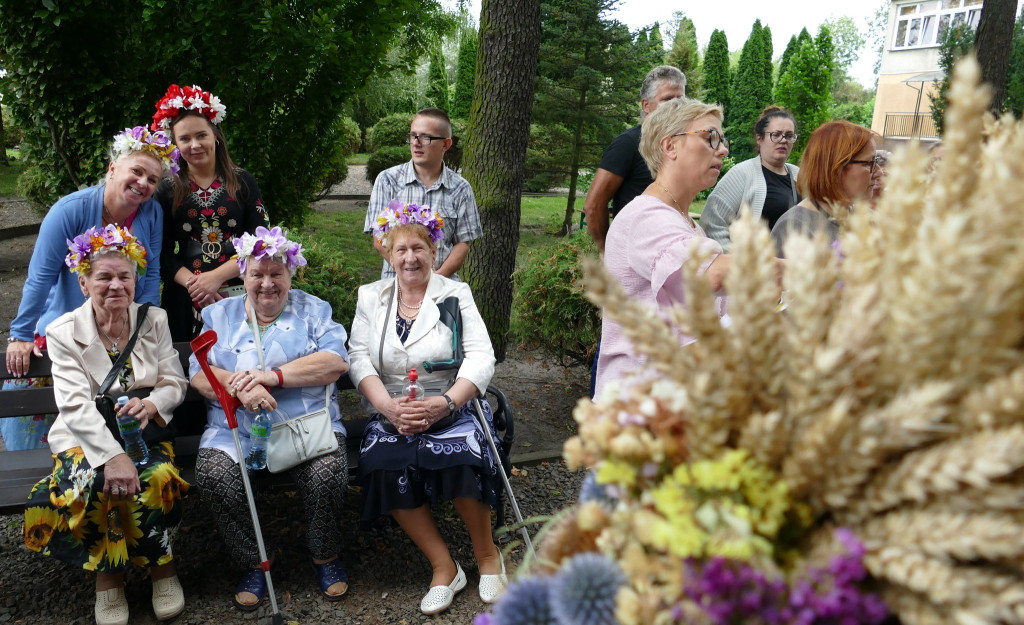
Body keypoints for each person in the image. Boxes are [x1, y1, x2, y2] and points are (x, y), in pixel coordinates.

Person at [24, 225, 189, 625]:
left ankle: (162, 569)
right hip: (85, 436)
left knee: (155, 475)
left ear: (136, 281)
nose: (116, 285)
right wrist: (113, 457)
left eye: (124, 276)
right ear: (84, 283)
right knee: (99, 482)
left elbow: (175, 381)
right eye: (104, 277)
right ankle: (109, 579)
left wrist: (151, 404)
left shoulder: (155, 319)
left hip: (143, 429)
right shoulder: (63, 332)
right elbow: (75, 406)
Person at [349, 201, 505, 615]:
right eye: (400, 249)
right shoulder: (371, 296)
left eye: (419, 248)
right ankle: (444, 567)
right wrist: (387, 407)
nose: (410, 257)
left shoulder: (456, 294)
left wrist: (447, 401)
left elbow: (481, 357)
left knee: (458, 455)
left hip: (451, 401)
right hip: (394, 406)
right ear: (388, 252)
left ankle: (488, 556)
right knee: (383, 460)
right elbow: (358, 358)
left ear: (434, 252)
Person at [188, 226, 351, 611]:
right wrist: (240, 387)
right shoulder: (219, 314)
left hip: (304, 427)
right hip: (237, 431)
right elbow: (197, 373)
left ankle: (324, 554)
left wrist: (272, 377)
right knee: (214, 476)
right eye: (256, 274)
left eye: (276, 274)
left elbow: (335, 362)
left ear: (290, 275)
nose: (266, 284)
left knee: (327, 472)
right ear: (242, 274)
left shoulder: (314, 310)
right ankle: (255, 559)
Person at [4, 126, 177, 451]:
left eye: (152, 180)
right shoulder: (68, 211)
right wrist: (21, 334)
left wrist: (146, 325)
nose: (143, 183)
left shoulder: (152, 213)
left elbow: (150, 272)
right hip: (67, 327)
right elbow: (40, 277)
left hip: (118, 330)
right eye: (136, 172)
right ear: (113, 168)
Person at [594, 98, 733, 397]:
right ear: (670, 147)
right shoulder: (646, 217)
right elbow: (713, 277)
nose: (723, 149)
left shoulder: (687, 224)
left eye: (722, 140)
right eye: (710, 137)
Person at [152, 84, 270, 342]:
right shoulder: (166, 189)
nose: (194, 145)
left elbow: (261, 242)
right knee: (187, 370)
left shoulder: (243, 182)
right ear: (175, 144)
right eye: (184, 139)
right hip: (184, 297)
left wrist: (216, 278)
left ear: (215, 134)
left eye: (201, 135)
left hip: (239, 291)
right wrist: (196, 286)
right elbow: (159, 253)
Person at [363, 108, 481, 280]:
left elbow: (463, 243)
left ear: (445, 144)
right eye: (413, 136)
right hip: (397, 284)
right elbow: (378, 237)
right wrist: (408, 274)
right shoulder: (388, 180)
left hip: (442, 287)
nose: (416, 143)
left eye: (426, 137)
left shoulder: (460, 189)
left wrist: (435, 280)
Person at [583, 65, 687, 254]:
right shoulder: (628, 144)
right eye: (667, 99)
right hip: (634, 253)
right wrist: (606, 251)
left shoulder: (681, 143)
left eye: (680, 98)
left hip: (671, 251)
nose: (676, 104)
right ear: (646, 106)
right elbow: (593, 205)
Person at [770, 121, 880, 257]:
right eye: (870, 163)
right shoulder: (795, 228)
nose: (878, 172)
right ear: (836, 167)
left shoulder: (867, 218)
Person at [702, 106, 802, 252]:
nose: (783, 140)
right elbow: (711, 223)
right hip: (757, 271)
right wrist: (741, 262)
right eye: (776, 134)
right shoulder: (742, 174)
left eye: (789, 135)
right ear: (759, 138)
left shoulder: (798, 174)